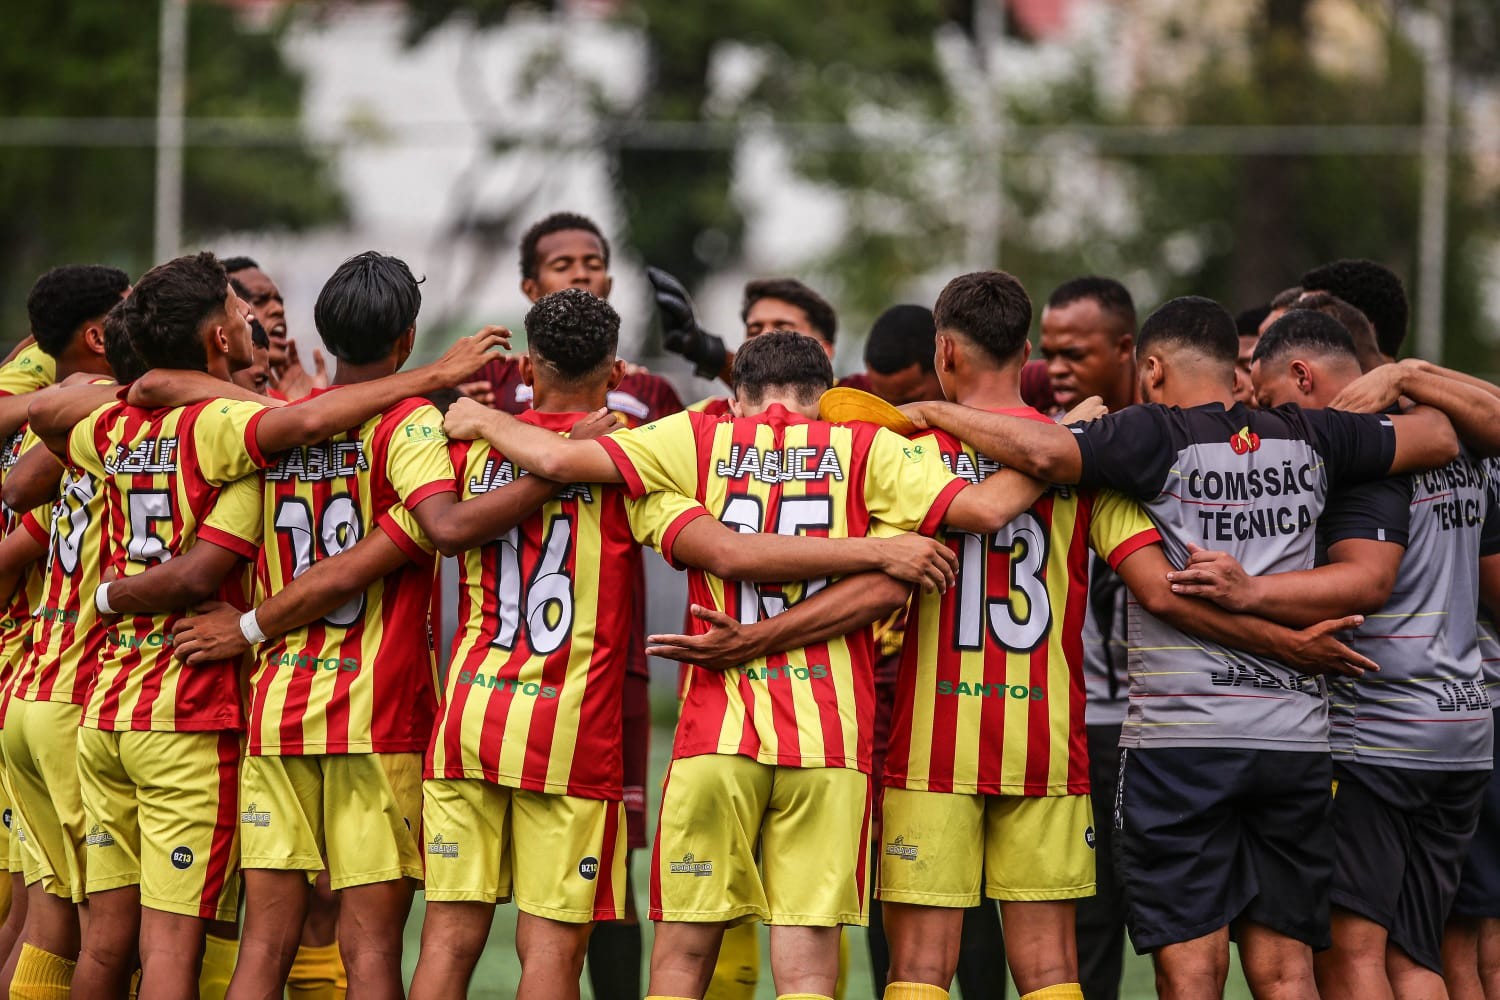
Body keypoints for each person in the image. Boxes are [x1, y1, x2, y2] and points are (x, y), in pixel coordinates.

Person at [442, 327, 1120, 1000]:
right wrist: (1067, 442)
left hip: (716, 737)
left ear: (737, 398)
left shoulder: (695, 439)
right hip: (829, 739)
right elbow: (979, 510)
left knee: (680, 960)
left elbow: (559, 464)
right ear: (823, 398)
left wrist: (478, 416)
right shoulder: (866, 446)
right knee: (807, 973)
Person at [898, 295, 1460, 998]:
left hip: (1182, 741)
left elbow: (1048, 457)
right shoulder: (1313, 434)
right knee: (1288, 970)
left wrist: (931, 412)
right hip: (1295, 738)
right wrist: (1403, 376)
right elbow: (1440, 435)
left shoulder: (1148, 436)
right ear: (1238, 369)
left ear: (1152, 367)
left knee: (1189, 969)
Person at [25, 251, 504, 999]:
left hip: (271, 711)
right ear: (407, 341)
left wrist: (153, 386)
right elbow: (418, 534)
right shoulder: (394, 425)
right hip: (367, 716)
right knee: (369, 948)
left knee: (260, 944)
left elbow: (48, 428)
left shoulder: (265, 431)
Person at [1168, 311, 1500, 999]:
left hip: (1378, 729)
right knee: (1419, 957)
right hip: (1464, 727)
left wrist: (1249, 591)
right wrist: (1416, 376)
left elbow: (1368, 581)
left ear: (1303, 375)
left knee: (1352, 959)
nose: (1275, 429)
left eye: (1273, 403)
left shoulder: (1367, 454)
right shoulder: (1455, 434)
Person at [463, 211, 687, 998]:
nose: (582, 274)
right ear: (530, 287)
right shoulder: (482, 395)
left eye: (594, 262)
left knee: (603, 871)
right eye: (563, 264)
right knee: (519, 905)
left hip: (594, 667)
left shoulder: (645, 396)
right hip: (527, 675)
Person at [0, 265, 127, 994]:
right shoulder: (111, 424)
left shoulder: (51, 422)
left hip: (36, 687)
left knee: (45, 922)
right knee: (104, 935)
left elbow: (19, 490)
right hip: (77, 695)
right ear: (100, 335)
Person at [1038, 275, 1139, 1000]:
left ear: (1128, 349)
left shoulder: (1176, 433)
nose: (1058, 367)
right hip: (1086, 723)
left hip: (1175, 724)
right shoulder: (1049, 437)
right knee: (1089, 920)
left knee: (1189, 930)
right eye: (1048, 351)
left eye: (1075, 352)